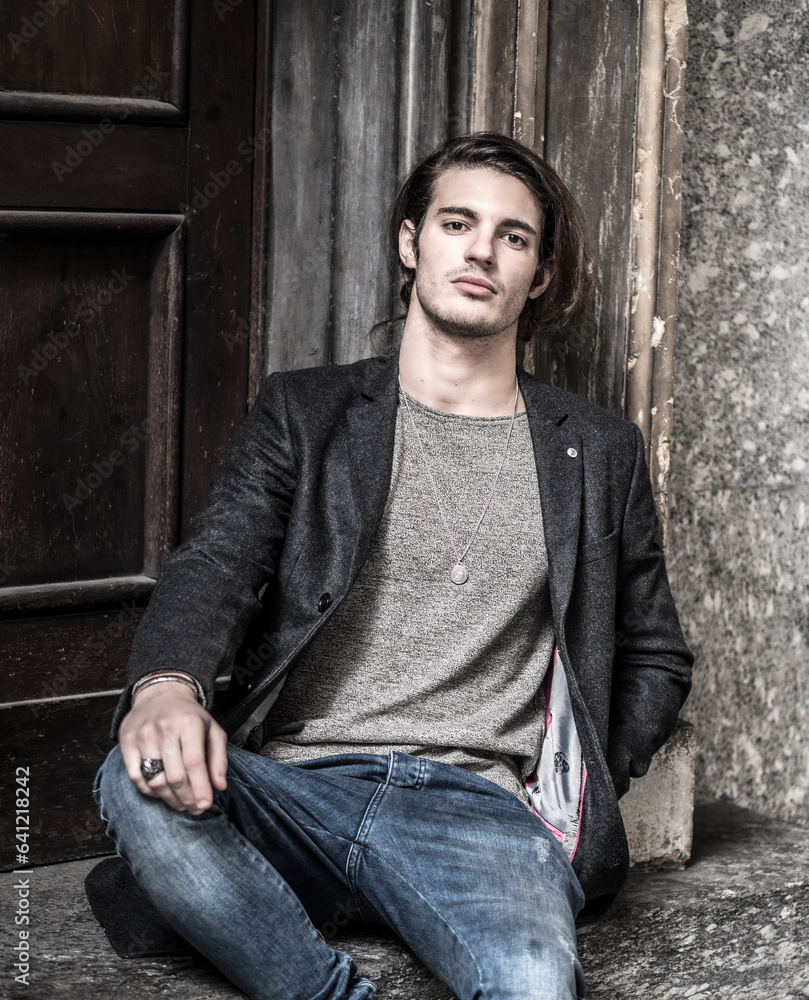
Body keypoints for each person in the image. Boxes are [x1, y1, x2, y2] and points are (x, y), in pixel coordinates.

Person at [93, 132, 693, 1000]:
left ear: (539, 275)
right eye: (456, 223)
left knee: (533, 986)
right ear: (411, 242)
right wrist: (165, 689)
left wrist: (585, 776)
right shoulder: (307, 412)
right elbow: (217, 563)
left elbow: (656, 652)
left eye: (513, 237)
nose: (481, 250)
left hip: (482, 814)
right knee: (135, 774)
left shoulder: (598, 450)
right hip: (294, 792)